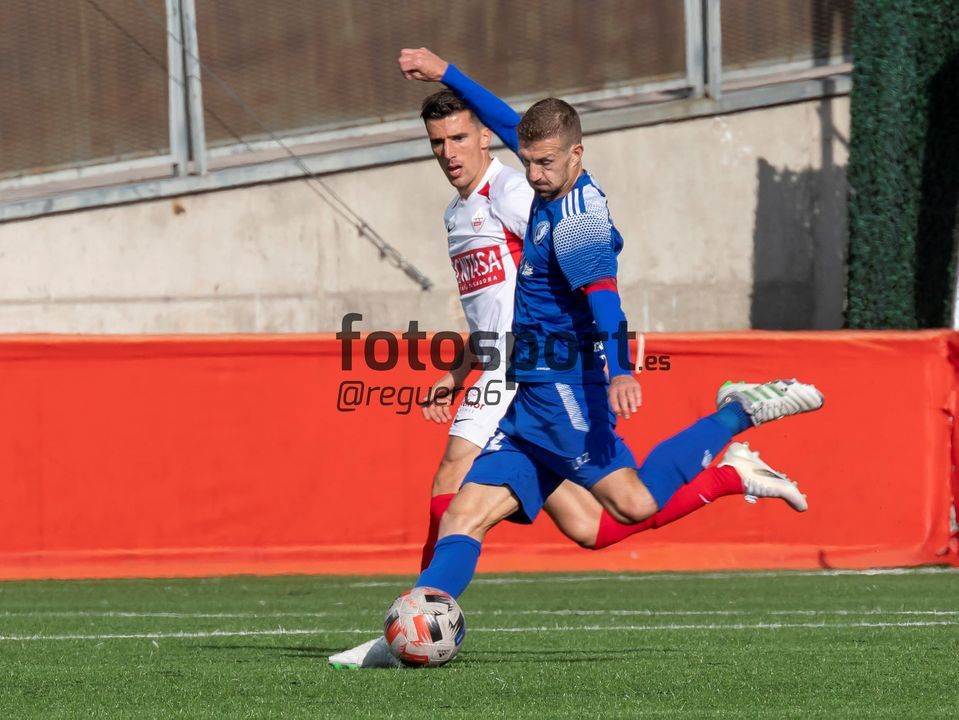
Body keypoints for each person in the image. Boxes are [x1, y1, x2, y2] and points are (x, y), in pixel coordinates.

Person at [327, 51, 823, 668]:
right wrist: (446, 72)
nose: (532, 174)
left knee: (632, 504)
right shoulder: (541, 174)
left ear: (576, 156)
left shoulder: (576, 222)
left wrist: (621, 371)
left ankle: (737, 412)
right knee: (464, 516)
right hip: (526, 395)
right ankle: (407, 633)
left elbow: (606, 301)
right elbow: (510, 123)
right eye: (528, 161)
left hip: (564, 388)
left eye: (544, 163)